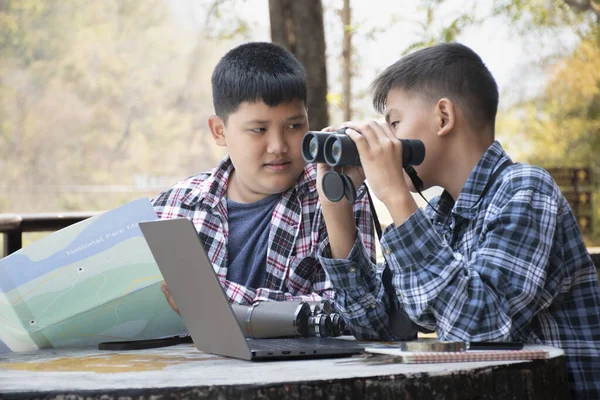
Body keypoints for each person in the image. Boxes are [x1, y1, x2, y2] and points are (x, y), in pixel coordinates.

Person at [316, 42, 600, 398]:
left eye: (395, 123)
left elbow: (480, 333)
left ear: (444, 117)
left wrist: (396, 196)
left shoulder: (525, 189)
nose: (388, 139)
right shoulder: (440, 216)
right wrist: (336, 208)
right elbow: (375, 325)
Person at [152, 42, 375, 311]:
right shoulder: (173, 207)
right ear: (219, 131)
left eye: (294, 126)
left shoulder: (337, 193)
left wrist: (219, 299)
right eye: (258, 129)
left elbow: (355, 313)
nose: (278, 146)